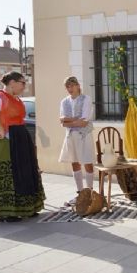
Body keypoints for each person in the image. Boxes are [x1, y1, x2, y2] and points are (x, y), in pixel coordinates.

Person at [0, 71, 44, 221]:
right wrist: (0, 129)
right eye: (22, 83)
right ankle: (6, 212)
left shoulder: (16, 98)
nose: (24, 86)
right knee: (8, 173)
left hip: (18, 138)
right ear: (12, 83)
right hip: (2, 141)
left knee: (23, 171)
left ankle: (25, 208)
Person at [58, 76, 95, 206]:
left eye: (72, 86)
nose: (70, 89)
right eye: (67, 86)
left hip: (84, 136)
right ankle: (80, 193)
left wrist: (69, 120)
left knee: (87, 162)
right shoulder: (64, 102)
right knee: (75, 163)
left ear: (78, 85)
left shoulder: (86, 99)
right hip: (70, 136)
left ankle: (90, 193)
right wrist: (74, 120)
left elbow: (84, 122)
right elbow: (62, 122)